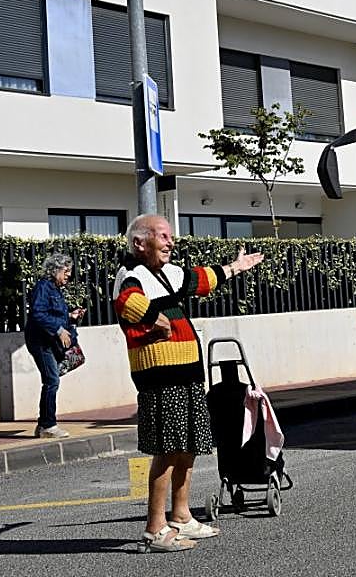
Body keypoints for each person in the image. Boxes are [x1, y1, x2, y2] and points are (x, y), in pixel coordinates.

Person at [113, 214, 263, 553]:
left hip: (187, 372)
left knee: (189, 444)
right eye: (163, 236)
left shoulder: (167, 273)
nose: (170, 242)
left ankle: (181, 516)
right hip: (160, 376)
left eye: (169, 236)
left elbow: (202, 279)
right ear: (140, 243)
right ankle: (155, 528)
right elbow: (126, 302)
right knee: (167, 449)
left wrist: (236, 267)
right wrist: (158, 319)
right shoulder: (131, 273)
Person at [24, 252, 84, 439]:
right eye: (66, 271)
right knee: (52, 380)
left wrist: (71, 317)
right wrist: (58, 330)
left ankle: (45, 424)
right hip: (41, 342)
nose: (68, 275)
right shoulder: (44, 287)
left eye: (69, 271)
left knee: (52, 379)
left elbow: (53, 314)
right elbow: (38, 313)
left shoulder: (55, 290)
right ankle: (47, 425)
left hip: (48, 342)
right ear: (55, 270)